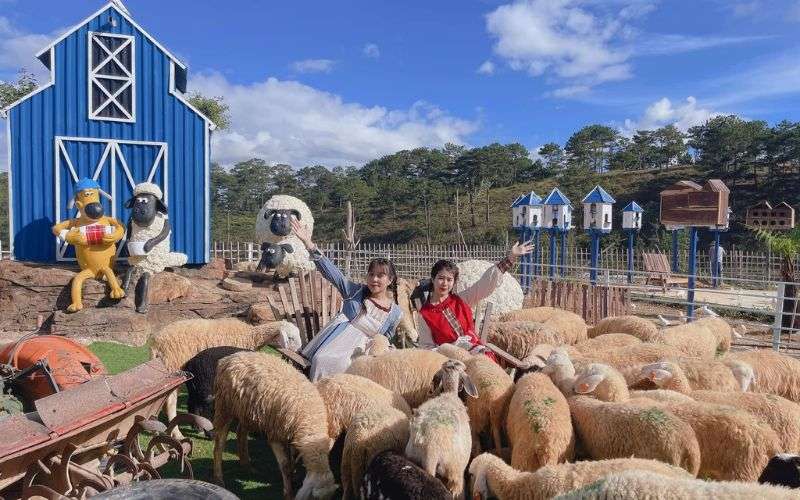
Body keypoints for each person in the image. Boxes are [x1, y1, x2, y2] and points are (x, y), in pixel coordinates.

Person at [291, 218, 403, 381]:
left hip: (364, 350)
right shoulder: (355, 292)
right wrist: (309, 243)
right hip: (338, 340)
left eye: (380, 275)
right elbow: (332, 273)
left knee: (354, 366)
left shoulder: (395, 313)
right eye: (371, 274)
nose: (374, 279)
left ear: (390, 280)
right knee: (322, 359)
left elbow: (385, 339)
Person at [413, 241, 533, 361]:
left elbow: (485, 284)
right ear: (433, 279)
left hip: (476, 353)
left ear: (454, 282)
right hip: (449, 362)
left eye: (449, 280)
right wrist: (452, 349)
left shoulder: (461, 300)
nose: (445, 283)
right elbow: (427, 347)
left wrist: (511, 257)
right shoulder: (425, 314)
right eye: (441, 278)